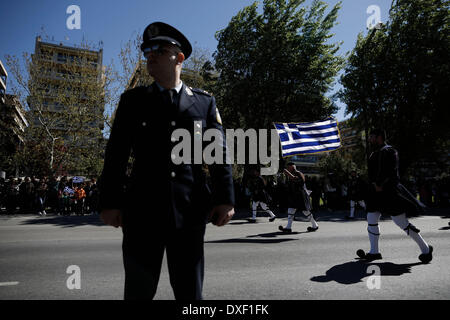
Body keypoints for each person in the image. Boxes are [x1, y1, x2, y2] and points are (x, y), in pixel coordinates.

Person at [99, 22, 235, 300]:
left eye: (159, 50)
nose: (150, 55)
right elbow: (116, 154)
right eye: (147, 50)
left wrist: (226, 199)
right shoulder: (132, 101)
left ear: (180, 58)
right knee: (138, 292)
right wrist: (109, 201)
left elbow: (218, 154)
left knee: (190, 294)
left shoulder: (204, 103)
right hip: (141, 214)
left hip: (189, 213)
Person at [356, 129, 433, 263]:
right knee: (371, 217)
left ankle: (425, 250)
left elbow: (391, 170)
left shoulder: (389, 150)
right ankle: (374, 252)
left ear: (379, 137)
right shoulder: (374, 152)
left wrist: (380, 184)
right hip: (376, 192)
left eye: (372, 137)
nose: (370, 139)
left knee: (400, 222)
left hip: (388, 191)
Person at [278, 162, 319, 233]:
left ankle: (315, 225)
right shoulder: (291, 174)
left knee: (305, 212)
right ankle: (288, 227)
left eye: (288, 168)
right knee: (290, 210)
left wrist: (287, 173)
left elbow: (296, 179)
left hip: (301, 196)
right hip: (294, 196)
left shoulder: (299, 173)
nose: (288, 169)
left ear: (292, 167)